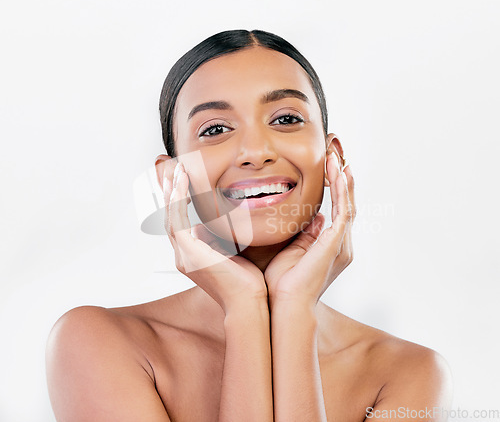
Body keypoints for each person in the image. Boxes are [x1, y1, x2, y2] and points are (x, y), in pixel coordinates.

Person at [46, 29, 452, 422]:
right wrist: (244, 310)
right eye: (215, 129)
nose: (256, 152)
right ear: (172, 178)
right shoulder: (97, 343)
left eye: (286, 119)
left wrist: (293, 313)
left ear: (332, 158)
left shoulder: (411, 373)